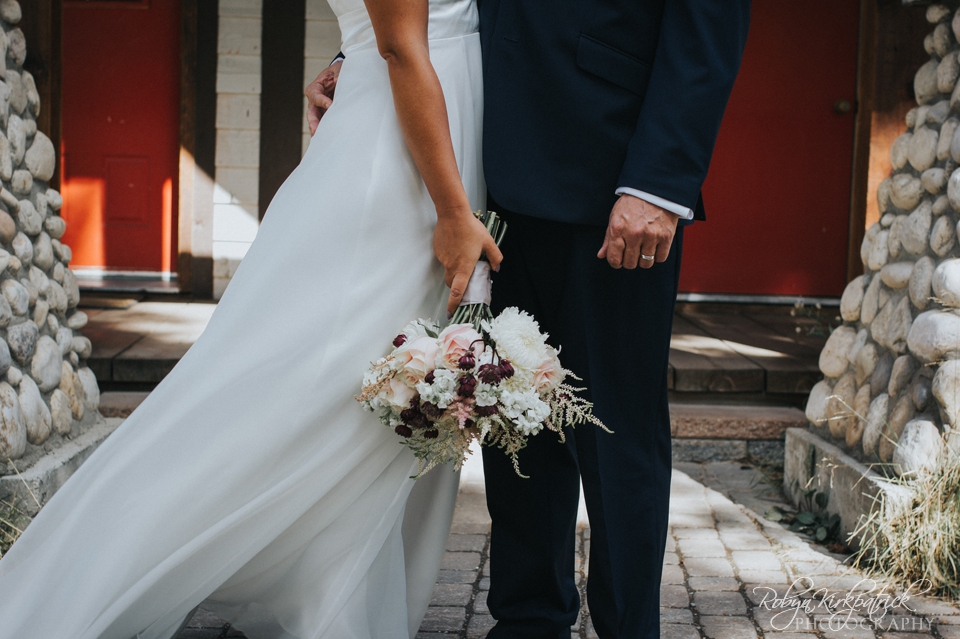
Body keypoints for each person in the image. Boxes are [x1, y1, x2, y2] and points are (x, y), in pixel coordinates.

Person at [0, 0, 497, 636]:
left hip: (426, 127)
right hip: (405, 156)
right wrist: (454, 212)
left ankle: (330, 595)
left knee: (371, 384)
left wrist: (352, 56)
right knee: (332, 379)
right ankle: (89, 572)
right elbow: (400, 44)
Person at [309, 2, 751, 639]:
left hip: (612, 176)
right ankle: (529, 620)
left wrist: (658, 183)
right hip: (489, 171)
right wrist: (362, 52)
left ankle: (630, 628)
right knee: (515, 416)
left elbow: (708, 23)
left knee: (617, 432)